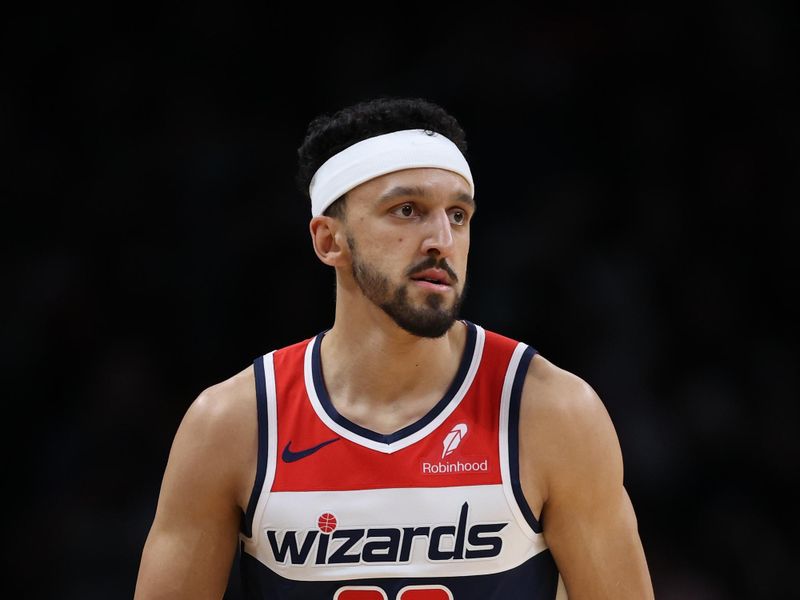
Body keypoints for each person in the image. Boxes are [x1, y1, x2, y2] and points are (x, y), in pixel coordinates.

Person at [134, 97, 655, 600]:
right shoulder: (232, 424)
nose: (441, 240)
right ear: (328, 241)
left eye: (457, 215)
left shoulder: (551, 412)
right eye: (407, 210)